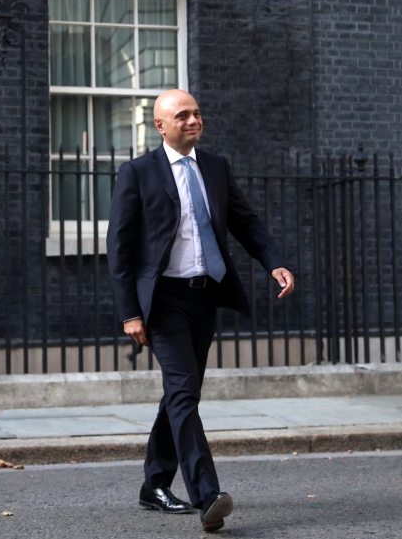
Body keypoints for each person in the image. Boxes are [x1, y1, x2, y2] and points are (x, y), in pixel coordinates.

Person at [107, 89, 295, 533]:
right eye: (182, 115)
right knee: (184, 392)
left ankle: (153, 485)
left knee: (180, 393)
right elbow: (119, 247)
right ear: (160, 125)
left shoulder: (214, 167)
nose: (194, 121)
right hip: (163, 301)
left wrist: (274, 262)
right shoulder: (137, 173)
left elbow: (244, 222)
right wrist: (129, 312)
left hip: (204, 295)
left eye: (197, 113)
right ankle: (207, 493)